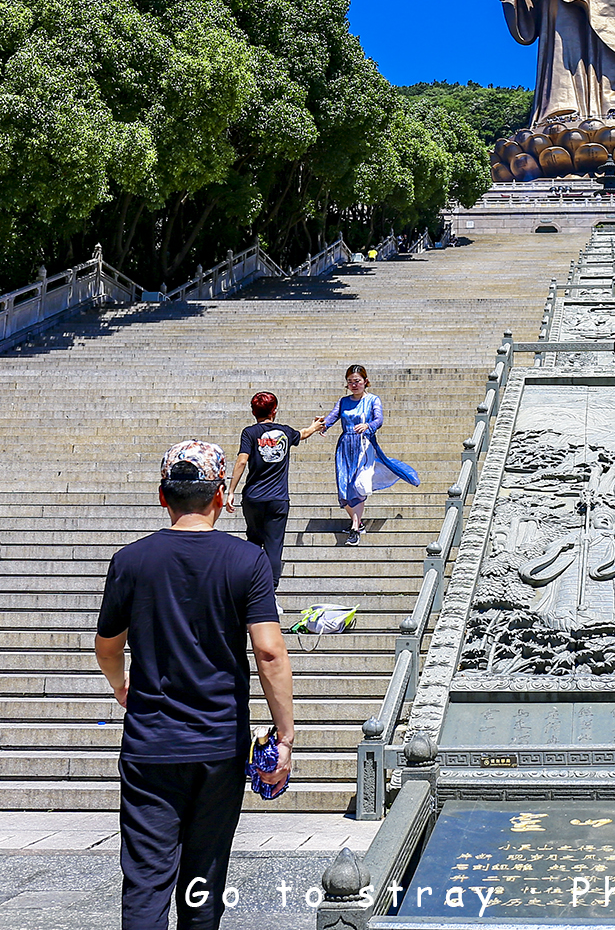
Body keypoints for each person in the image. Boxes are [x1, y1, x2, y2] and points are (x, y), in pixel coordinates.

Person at [96, 441, 294, 930]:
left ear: (163, 497)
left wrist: (122, 686)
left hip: (150, 745)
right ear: (222, 494)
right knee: (202, 884)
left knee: (145, 883)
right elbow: (269, 652)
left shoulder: (130, 561)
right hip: (218, 745)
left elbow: (106, 647)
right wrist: (284, 734)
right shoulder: (248, 562)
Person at [227, 393, 324, 604]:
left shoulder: (249, 433)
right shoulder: (285, 432)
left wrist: (231, 490)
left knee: (253, 541)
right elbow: (304, 433)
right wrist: (315, 426)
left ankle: (250, 587)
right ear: (275, 410)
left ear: (253, 412)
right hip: (278, 499)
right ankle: (269, 593)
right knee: (273, 545)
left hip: (253, 498)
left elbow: (242, 462)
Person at [321, 364, 421, 544]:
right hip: (345, 447)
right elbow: (332, 417)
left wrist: (368, 426)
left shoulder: (373, 400)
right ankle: (357, 522)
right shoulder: (343, 401)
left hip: (364, 446)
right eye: (350, 382)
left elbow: (378, 419)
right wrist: (322, 426)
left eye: (357, 381)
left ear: (365, 382)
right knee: (344, 487)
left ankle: (354, 528)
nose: (353, 385)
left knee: (358, 484)